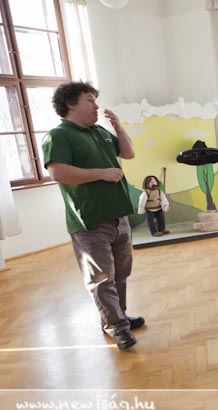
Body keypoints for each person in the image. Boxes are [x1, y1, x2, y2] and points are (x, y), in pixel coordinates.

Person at [42, 81, 144, 350]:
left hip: (119, 216)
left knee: (120, 273)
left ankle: (120, 318)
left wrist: (119, 128)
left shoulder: (99, 131)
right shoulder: (59, 136)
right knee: (101, 279)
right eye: (89, 100)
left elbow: (129, 153)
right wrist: (101, 173)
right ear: (71, 104)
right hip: (89, 222)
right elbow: (58, 173)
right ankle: (117, 327)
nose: (96, 106)